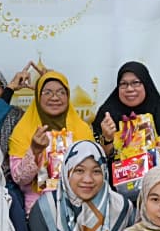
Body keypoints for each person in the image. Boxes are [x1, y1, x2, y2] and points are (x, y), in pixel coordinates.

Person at [8, 70, 95, 213]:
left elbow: (94, 173)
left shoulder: (82, 129)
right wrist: (34, 151)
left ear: (68, 96)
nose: (55, 98)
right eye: (47, 92)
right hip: (40, 210)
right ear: (38, 97)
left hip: (81, 208)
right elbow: (20, 179)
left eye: (61, 92)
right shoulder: (24, 130)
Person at [94, 61, 160, 173]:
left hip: (157, 179)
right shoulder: (107, 115)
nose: (129, 89)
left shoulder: (157, 110)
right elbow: (98, 160)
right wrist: (107, 139)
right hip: (118, 180)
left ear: (146, 84)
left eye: (136, 83)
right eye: (123, 84)